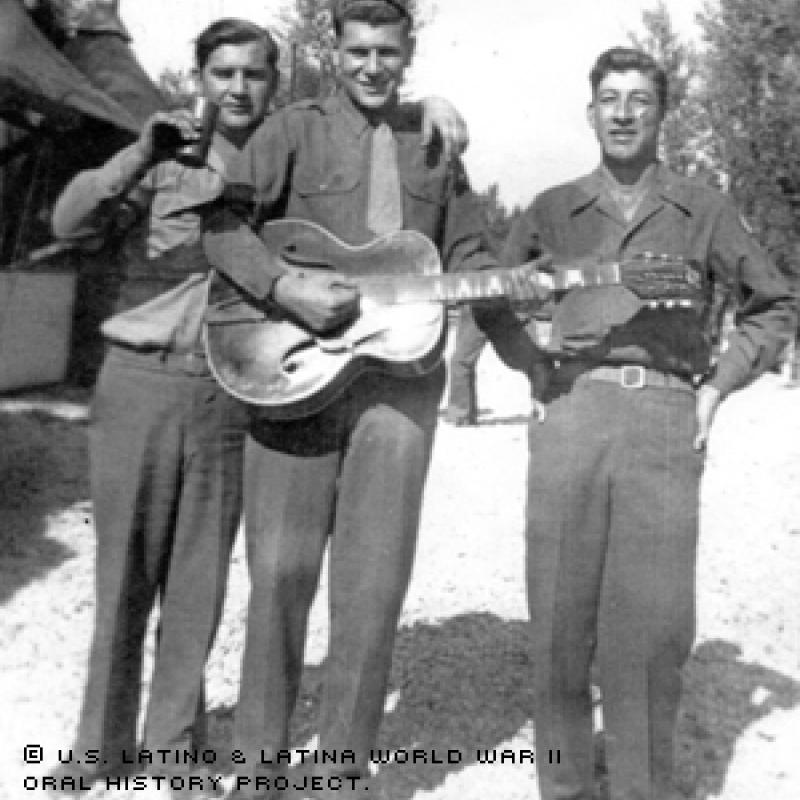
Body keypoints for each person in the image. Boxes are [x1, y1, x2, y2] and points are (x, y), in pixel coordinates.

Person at [45, 12, 469, 800]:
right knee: (122, 576)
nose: (238, 87)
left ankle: (174, 752)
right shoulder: (161, 150)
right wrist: (139, 154)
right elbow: (68, 222)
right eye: (222, 73)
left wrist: (429, 105)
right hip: (140, 378)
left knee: (199, 584)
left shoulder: (277, 155)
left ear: (276, 84)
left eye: (254, 74)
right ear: (198, 79)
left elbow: (376, 163)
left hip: (230, 389)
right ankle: (96, 748)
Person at [202, 2, 542, 798]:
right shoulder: (290, 129)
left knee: (374, 586)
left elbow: (468, 256)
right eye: (357, 52)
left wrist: (531, 356)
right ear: (336, 49)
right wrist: (283, 284)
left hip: (399, 393)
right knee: (281, 575)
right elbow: (220, 222)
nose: (370, 67)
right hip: (294, 383)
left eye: (387, 52)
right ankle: (258, 773)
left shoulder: (434, 140)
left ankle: (342, 774)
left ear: (407, 52)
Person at [501, 47, 796, 800]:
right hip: (571, 415)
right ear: (590, 110)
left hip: (666, 417)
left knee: (653, 633)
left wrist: (719, 386)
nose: (624, 111)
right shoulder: (552, 208)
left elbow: (774, 303)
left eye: (640, 99)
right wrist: (531, 362)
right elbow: (488, 293)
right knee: (562, 625)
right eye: (609, 98)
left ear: (663, 114)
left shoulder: (704, 209)